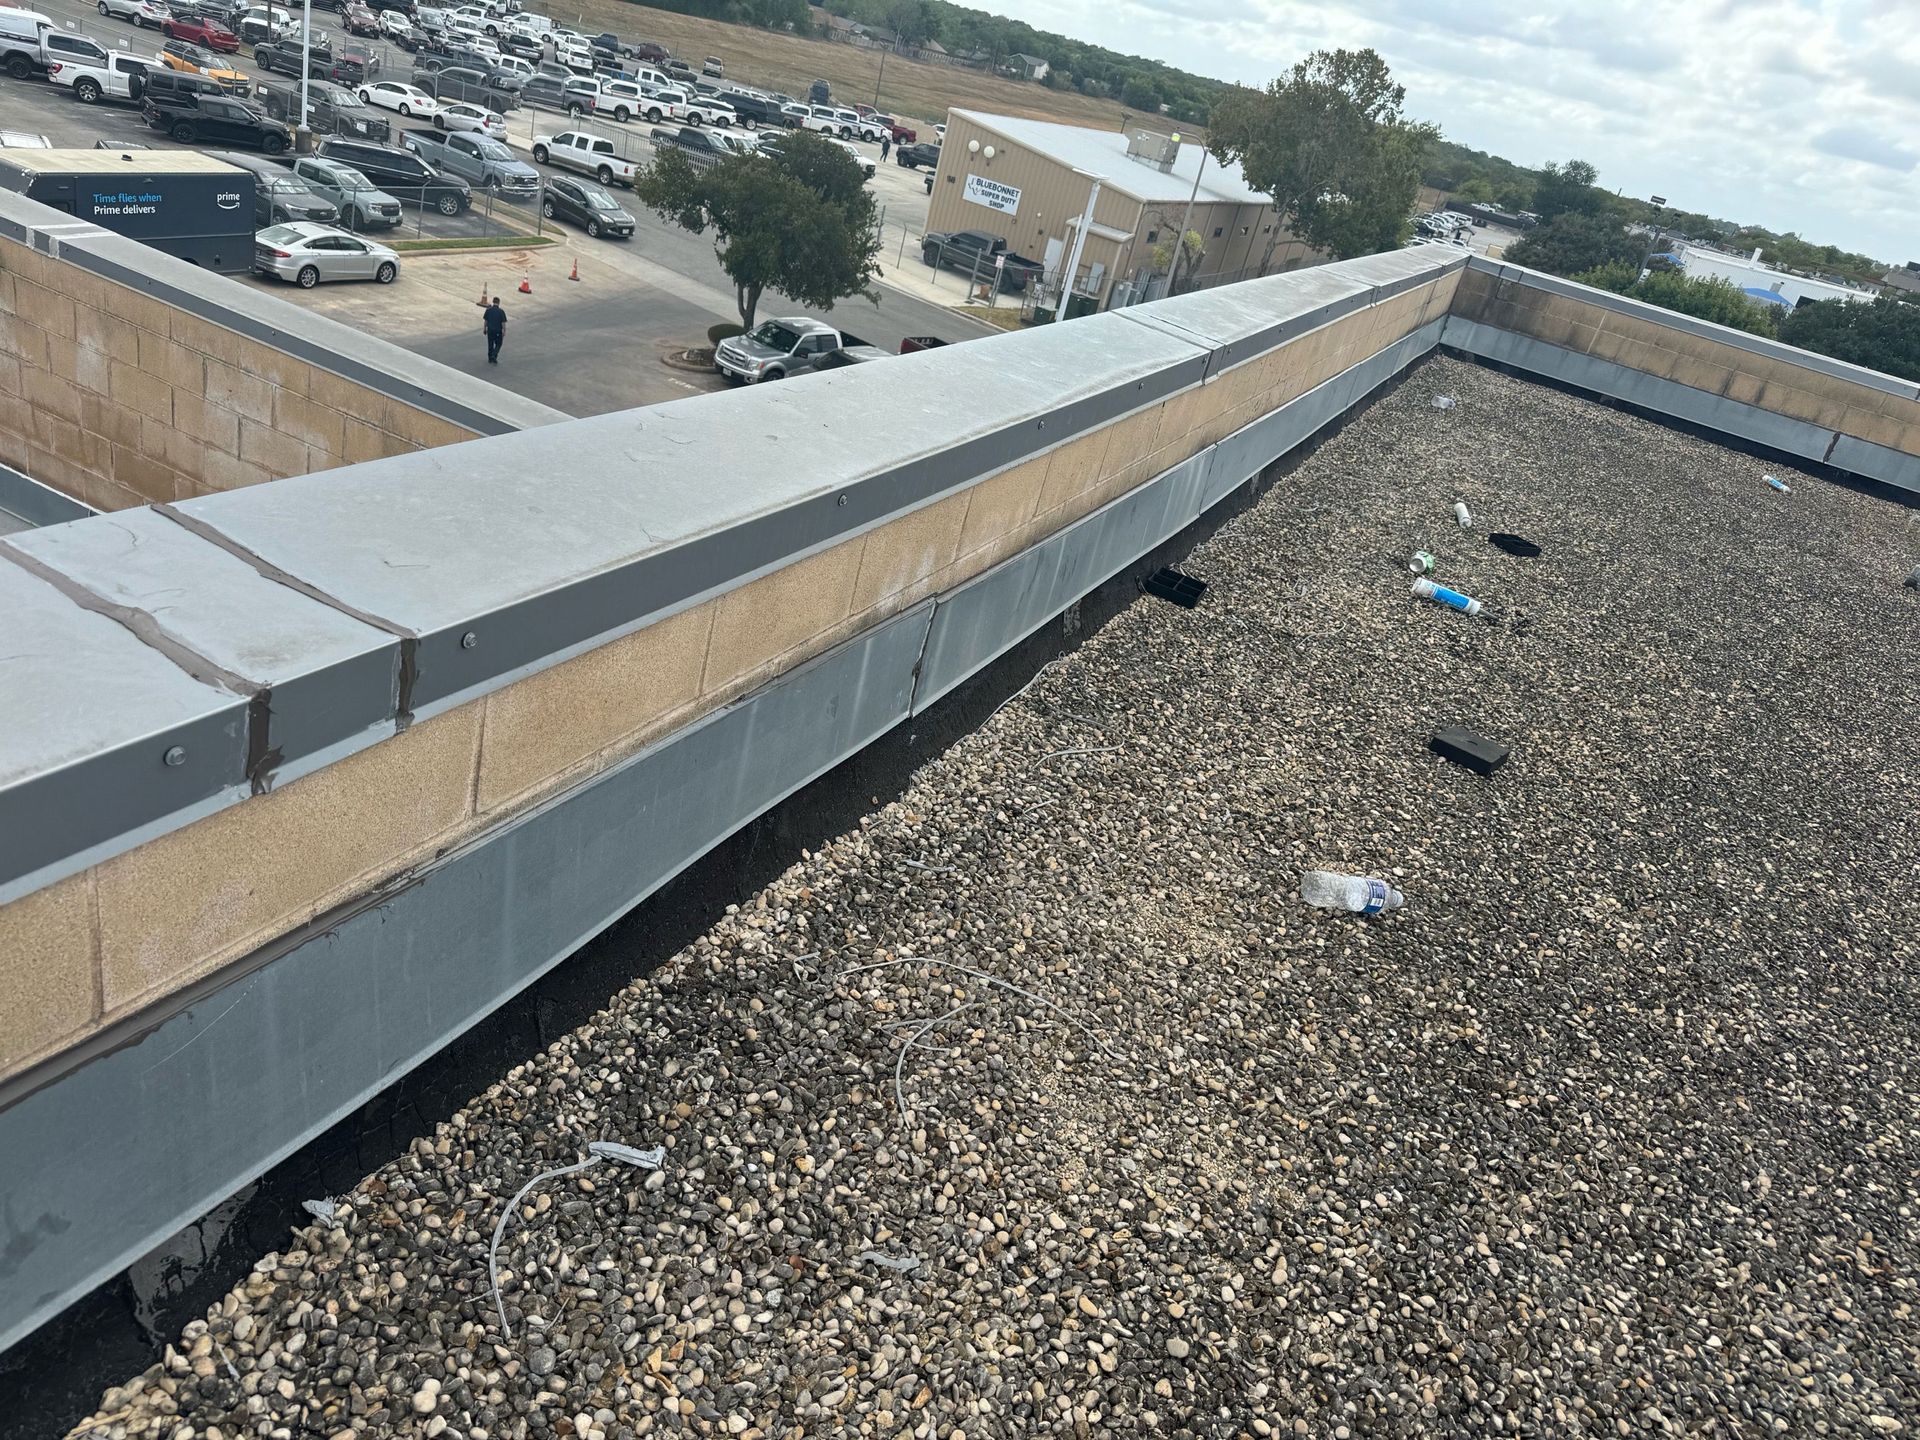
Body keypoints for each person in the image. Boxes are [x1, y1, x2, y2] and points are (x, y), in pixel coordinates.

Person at [483, 295, 507, 365]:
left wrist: (484, 329)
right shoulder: (501, 312)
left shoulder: (488, 310)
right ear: (499, 303)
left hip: (490, 330)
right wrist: (504, 331)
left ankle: (490, 358)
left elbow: (486, 321)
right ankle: (494, 355)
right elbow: (503, 323)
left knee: (490, 344)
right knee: (498, 344)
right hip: (498, 331)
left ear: (493, 302)